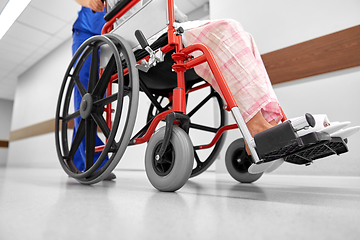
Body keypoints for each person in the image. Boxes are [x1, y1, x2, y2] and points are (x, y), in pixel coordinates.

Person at [106, 0, 282, 151]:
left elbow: (173, 15)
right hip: (144, 47)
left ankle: (271, 124)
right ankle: (257, 128)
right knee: (227, 28)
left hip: (165, 35)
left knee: (244, 37)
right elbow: (131, 20)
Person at [72, 0, 116, 180]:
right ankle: (93, 160)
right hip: (88, 31)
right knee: (86, 96)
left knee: (97, 98)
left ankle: (77, 161)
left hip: (113, 32)